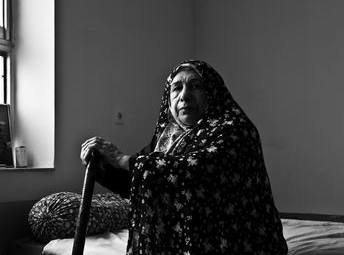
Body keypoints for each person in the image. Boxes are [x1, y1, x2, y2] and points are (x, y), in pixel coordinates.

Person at [80, 60, 288, 254]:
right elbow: (141, 180)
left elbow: (196, 170)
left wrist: (123, 160)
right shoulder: (168, 137)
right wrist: (101, 167)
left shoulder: (236, 129)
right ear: (168, 99)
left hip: (235, 243)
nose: (185, 95)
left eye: (196, 86)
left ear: (212, 94)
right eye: (177, 87)